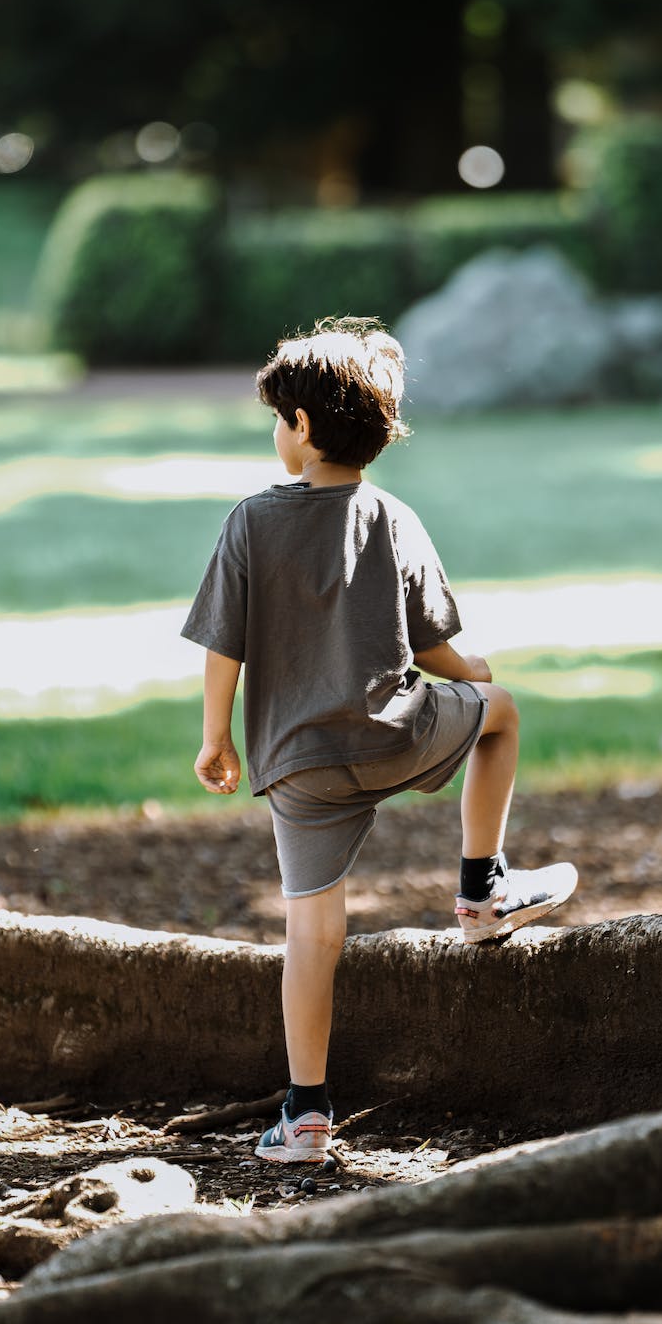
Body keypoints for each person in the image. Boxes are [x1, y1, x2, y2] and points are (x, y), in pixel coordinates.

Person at [181, 317, 577, 1163]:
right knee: (500, 713)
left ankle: (307, 1115)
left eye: (280, 417)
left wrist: (218, 736)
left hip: (301, 766)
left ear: (305, 429)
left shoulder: (251, 522)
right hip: (398, 733)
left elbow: (227, 641)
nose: (277, 431)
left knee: (314, 935)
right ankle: (482, 890)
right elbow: (433, 648)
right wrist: (471, 669)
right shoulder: (392, 517)